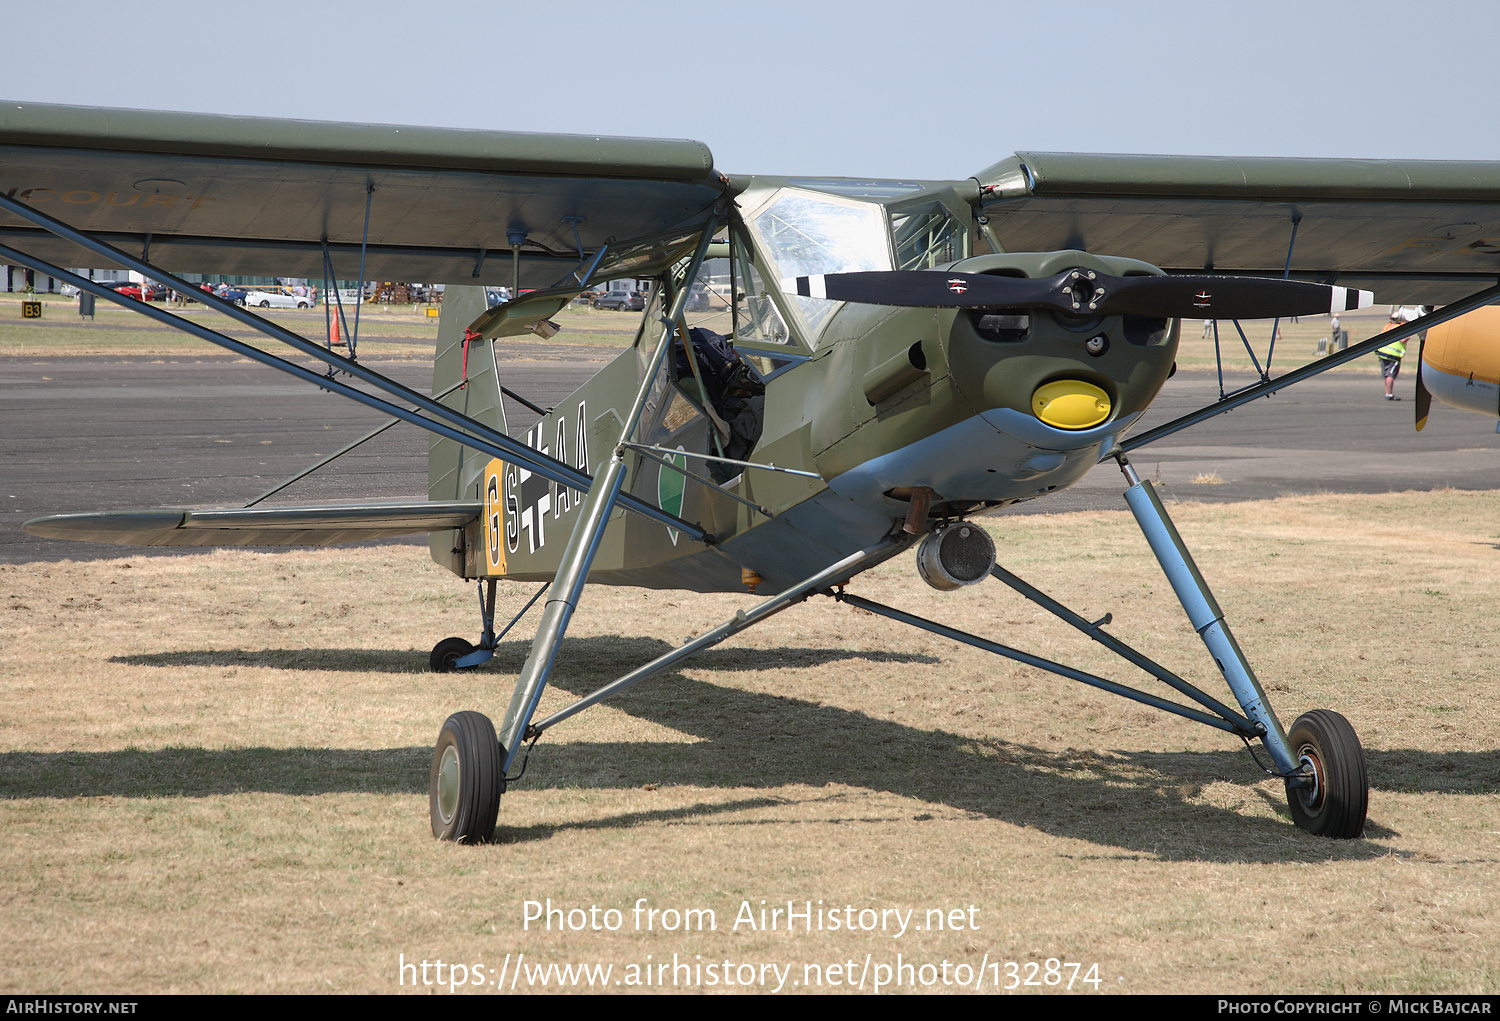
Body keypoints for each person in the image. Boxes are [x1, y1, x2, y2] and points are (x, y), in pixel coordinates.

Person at [1377, 314, 1406, 400]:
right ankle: (1389, 394)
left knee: (1386, 375)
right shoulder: (1400, 328)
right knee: (1391, 375)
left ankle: (1387, 392)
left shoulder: (1387, 326)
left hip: (1382, 352)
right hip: (1393, 354)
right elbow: (1403, 339)